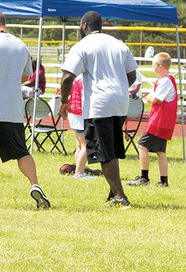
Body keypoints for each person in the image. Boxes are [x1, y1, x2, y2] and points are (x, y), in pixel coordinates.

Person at [0, 9, 51, 209]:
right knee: (22, 153)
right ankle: (35, 184)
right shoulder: (21, 46)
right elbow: (25, 77)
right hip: (13, 112)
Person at [59, 11, 138, 208]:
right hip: (120, 102)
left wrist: (64, 100)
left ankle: (120, 196)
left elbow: (68, 77)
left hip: (99, 104)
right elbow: (132, 75)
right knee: (111, 149)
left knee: (104, 152)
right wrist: (118, 88)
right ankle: (114, 193)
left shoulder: (83, 46)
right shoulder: (118, 44)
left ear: (84, 25)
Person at [127, 52, 177, 188]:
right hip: (164, 122)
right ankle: (163, 180)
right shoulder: (167, 80)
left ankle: (144, 177)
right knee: (161, 152)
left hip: (159, 122)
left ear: (160, 66)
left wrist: (150, 97)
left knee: (142, 146)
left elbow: (154, 99)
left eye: (154, 66)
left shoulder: (166, 80)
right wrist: (150, 96)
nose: (153, 69)